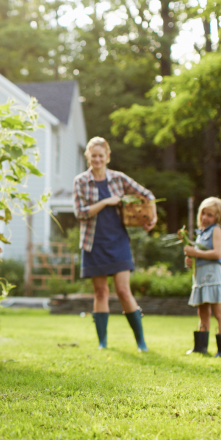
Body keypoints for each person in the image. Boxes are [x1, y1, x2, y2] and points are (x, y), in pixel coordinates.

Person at [73, 137, 157, 352]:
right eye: (94, 156)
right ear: (88, 158)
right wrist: (105, 202)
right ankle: (102, 342)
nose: (97, 159)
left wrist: (152, 217)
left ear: (107, 157)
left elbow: (147, 195)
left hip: (118, 242)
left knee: (123, 291)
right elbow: (80, 213)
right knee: (100, 292)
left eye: (101, 156)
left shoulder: (118, 179)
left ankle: (141, 341)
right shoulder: (81, 181)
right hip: (93, 244)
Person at [184, 197, 221, 357]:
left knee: (219, 312)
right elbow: (201, 255)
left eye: (209, 215)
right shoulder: (201, 233)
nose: (205, 218)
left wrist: (195, 252)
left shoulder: (216, 230)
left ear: (217, 217)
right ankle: (200, 347)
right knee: (202, 312)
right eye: (203, 213)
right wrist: (191, 260)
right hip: (201, 277)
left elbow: (217, 253)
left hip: (213, 276)